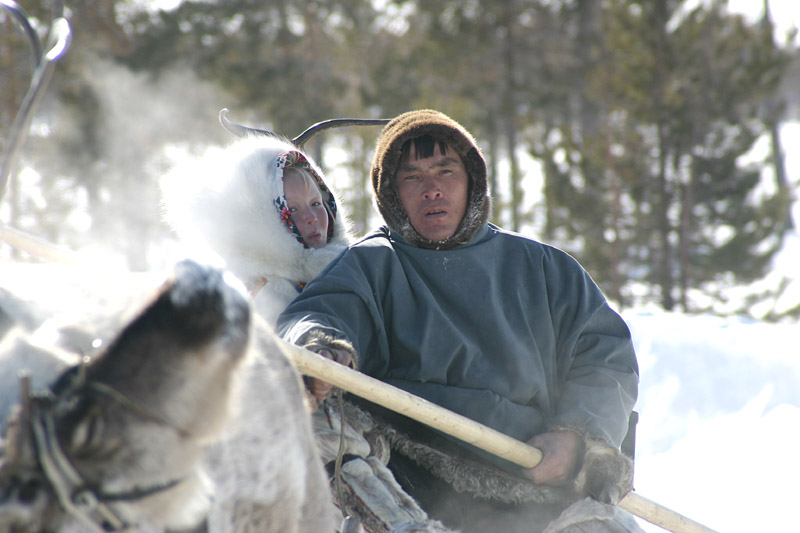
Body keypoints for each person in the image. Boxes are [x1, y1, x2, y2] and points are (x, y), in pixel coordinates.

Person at [277, 109, 643, 533]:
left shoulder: (545, 268)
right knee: (319, 415)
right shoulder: (370, 265)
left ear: (472, 180)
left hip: (535, 477)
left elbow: (605, 359)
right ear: (392, 194)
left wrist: (576, 436)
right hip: (408, 477)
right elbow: (315, 316)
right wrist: (321, 350)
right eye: (412, 177)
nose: (431, 190)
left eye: (445, 171)